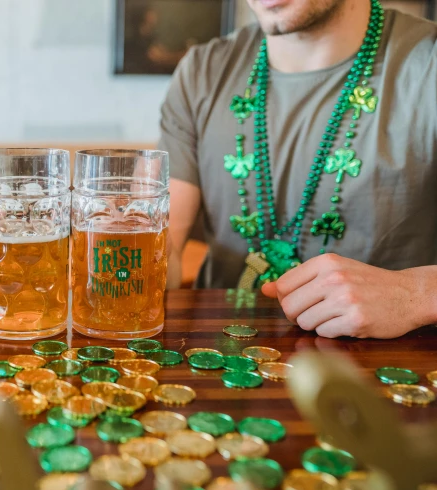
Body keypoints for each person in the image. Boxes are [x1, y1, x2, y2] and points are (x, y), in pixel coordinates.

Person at [160, 0, 437, 339]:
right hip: (216, 364)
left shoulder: (427, 64)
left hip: (380, 378)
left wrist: (413, 295)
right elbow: (163, 253)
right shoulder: (202, 72)